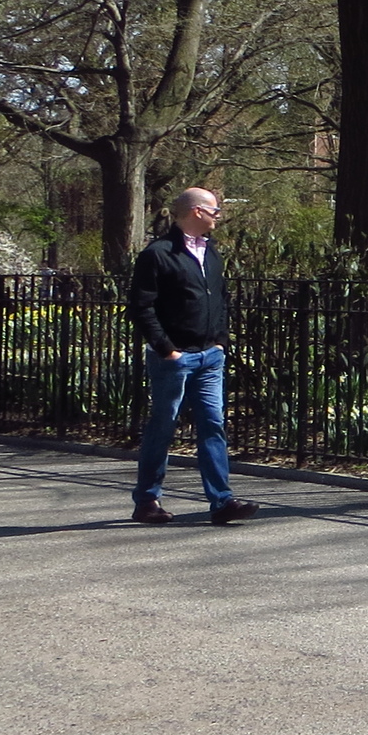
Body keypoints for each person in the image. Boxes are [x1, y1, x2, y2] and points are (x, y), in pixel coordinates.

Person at [128, 187, 253, 526]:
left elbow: (221, 297)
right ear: (197, 212)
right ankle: (147, 499)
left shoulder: (212, 253)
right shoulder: (158, 254)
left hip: (209, 356)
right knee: (163, 427)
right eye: (215, 211)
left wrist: (220, 341)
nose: (218, 217)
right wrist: (166, 349)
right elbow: (141, 306)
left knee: (213, 424)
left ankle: (222, 500)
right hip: (175, 358)